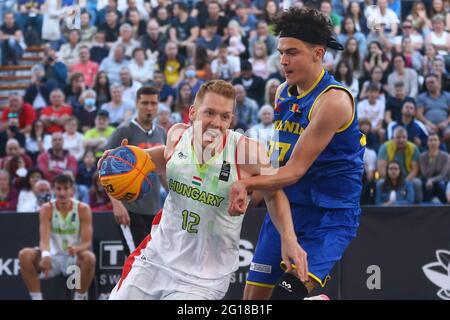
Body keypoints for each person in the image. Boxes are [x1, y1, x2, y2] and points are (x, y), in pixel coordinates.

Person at [106, 80, 306, 300]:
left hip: (204, 277)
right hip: (156, 259)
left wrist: (289, 238)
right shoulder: (177, 136)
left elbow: (274, 194)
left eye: (224, 116)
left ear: (231, 119)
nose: (216, 123)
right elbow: (163, 159)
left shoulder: (247, 152)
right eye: (209, 113)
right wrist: (122, 160)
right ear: (192, 112)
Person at [227, 7, 365, 300]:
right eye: (280, 53)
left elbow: (294, 171)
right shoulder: (281, 92)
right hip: (288, 208)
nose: (283, 61)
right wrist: (252, 196)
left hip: (329, 215)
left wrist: (247, 184)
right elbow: (278, 163)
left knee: (285, 297)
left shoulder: (334, 101)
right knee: (252, 303)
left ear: (318, 53)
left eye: (292, 52)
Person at [104, 86, 166, 255]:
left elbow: (164, 172)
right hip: (130, 209)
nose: (149, 107)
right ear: (136, 104)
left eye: (153, 103)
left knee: (151, 262)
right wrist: (116, 204)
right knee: (136, 262)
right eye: (145, 103)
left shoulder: (161, 132)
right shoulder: (125, 130)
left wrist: (176, 196)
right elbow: (105, 169)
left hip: (154, 209)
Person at [18, 174, 95, 300]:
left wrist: (77, 249)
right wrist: (46, 255)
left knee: (89, 257)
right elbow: (44, 238)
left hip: (73, 258)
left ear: (72, 190)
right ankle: (37, 298)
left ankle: (79, 298)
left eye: (66, 188)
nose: (62, 193)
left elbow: (87, 242)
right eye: (58, 189)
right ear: (53, 190)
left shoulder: (83, 209)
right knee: (24, 255)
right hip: (52, 257)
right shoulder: (47, 208)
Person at [419, 134, 449, 204]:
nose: (433, 142)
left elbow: (443, 174)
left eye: (435, 140)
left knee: (439, 184)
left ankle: (445, 207)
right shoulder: (422, 156)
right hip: (427, 179)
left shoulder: (446, 156)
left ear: (439, 142)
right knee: (428, 185)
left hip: (442, 180)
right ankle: (426, 207)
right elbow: (425, 174)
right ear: (427, 143)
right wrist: (432, 159)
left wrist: (432, 180)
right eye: (431, 140)